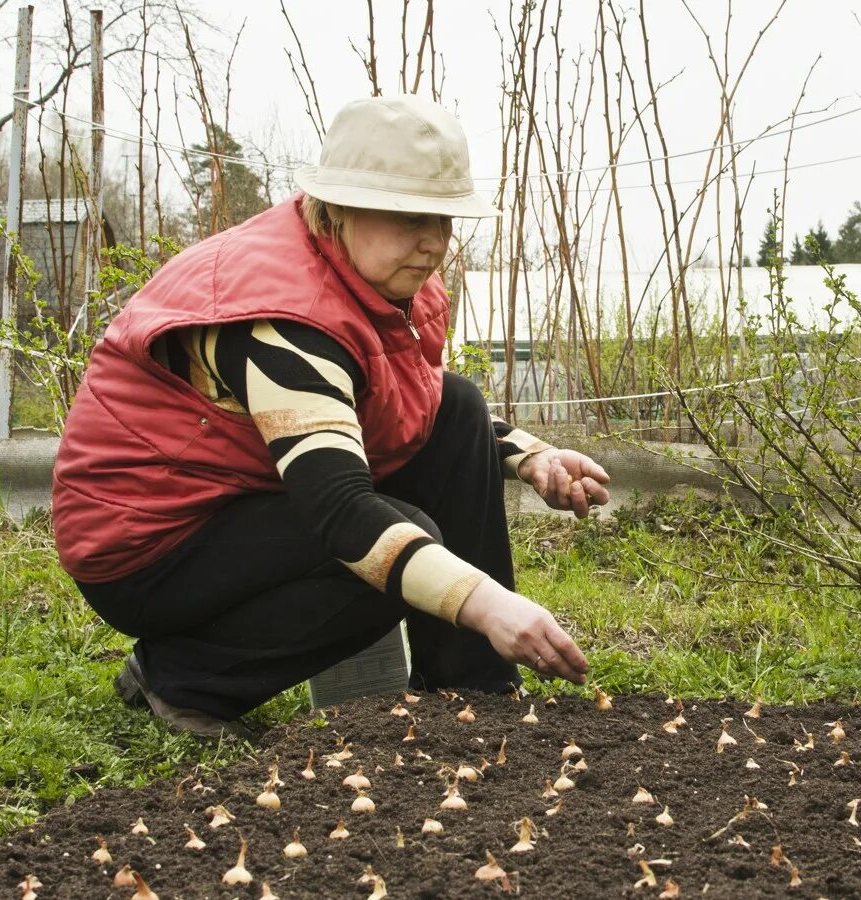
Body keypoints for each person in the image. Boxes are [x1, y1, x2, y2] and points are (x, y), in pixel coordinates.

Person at [51, 96, 608, 741]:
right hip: (150, 539)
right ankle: (182, 675)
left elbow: (410, 404)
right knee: (391, 545)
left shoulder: (373, 273)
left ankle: (468, 689)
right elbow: (344, 516)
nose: (433, 243)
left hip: (240, 490)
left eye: (445, 220)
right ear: (340, 206)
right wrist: (488, 604)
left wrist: (529, 455)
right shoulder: (282, 316)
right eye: (408, 217)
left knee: (456, 405)